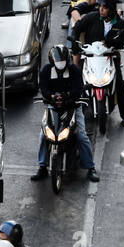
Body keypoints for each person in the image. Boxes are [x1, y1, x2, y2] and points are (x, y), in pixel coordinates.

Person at [31, 42, 99, 183]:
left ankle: (90, 167)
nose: (60, 64)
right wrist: (52, 97)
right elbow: (43, 88)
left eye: (62, 61)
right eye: (58, 61)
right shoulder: (45, 71)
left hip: (73, 106)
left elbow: (78, 88)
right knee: (44, 136)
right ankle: (42, 166)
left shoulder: (74, 70)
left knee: (81, 136)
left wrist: (67, 96)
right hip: (52, 107)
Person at [70, 0, 124, 126]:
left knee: (119, 83)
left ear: (112, 9)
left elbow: (123, 40)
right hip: (90, 56)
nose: (101, 10)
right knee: (77, 81)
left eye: (104, 8)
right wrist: (75, 44)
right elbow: (76, 29)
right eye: (100, 7)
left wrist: (110, 43)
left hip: (110, 57)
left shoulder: (120, 23)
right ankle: (72, 114)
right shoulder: (92, 17)